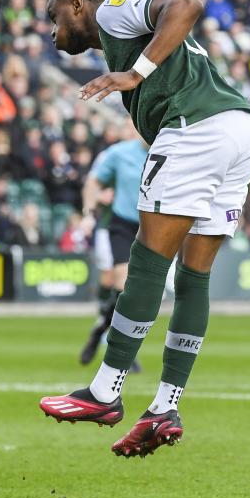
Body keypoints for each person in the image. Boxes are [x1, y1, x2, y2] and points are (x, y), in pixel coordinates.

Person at [37, 0, 250, 458]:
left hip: (197, 127)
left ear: (77, 3)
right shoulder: (128, 33)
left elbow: (186, 4)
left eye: (54, 17)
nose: (54, 34)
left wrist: (134, 73)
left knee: (146, 262)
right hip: (241, 129)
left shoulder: (114, 11)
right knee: (194, 278)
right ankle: (165, 405)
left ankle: (104, 391)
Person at [77, 122, 148, 369]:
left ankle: (100, 330)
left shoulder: (173, 153)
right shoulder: (119, 153)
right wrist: (88, 212)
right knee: (123, 285)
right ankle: (122, 349)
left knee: (139, 295)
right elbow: (93, 182)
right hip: (123, 226)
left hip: (153, 228)